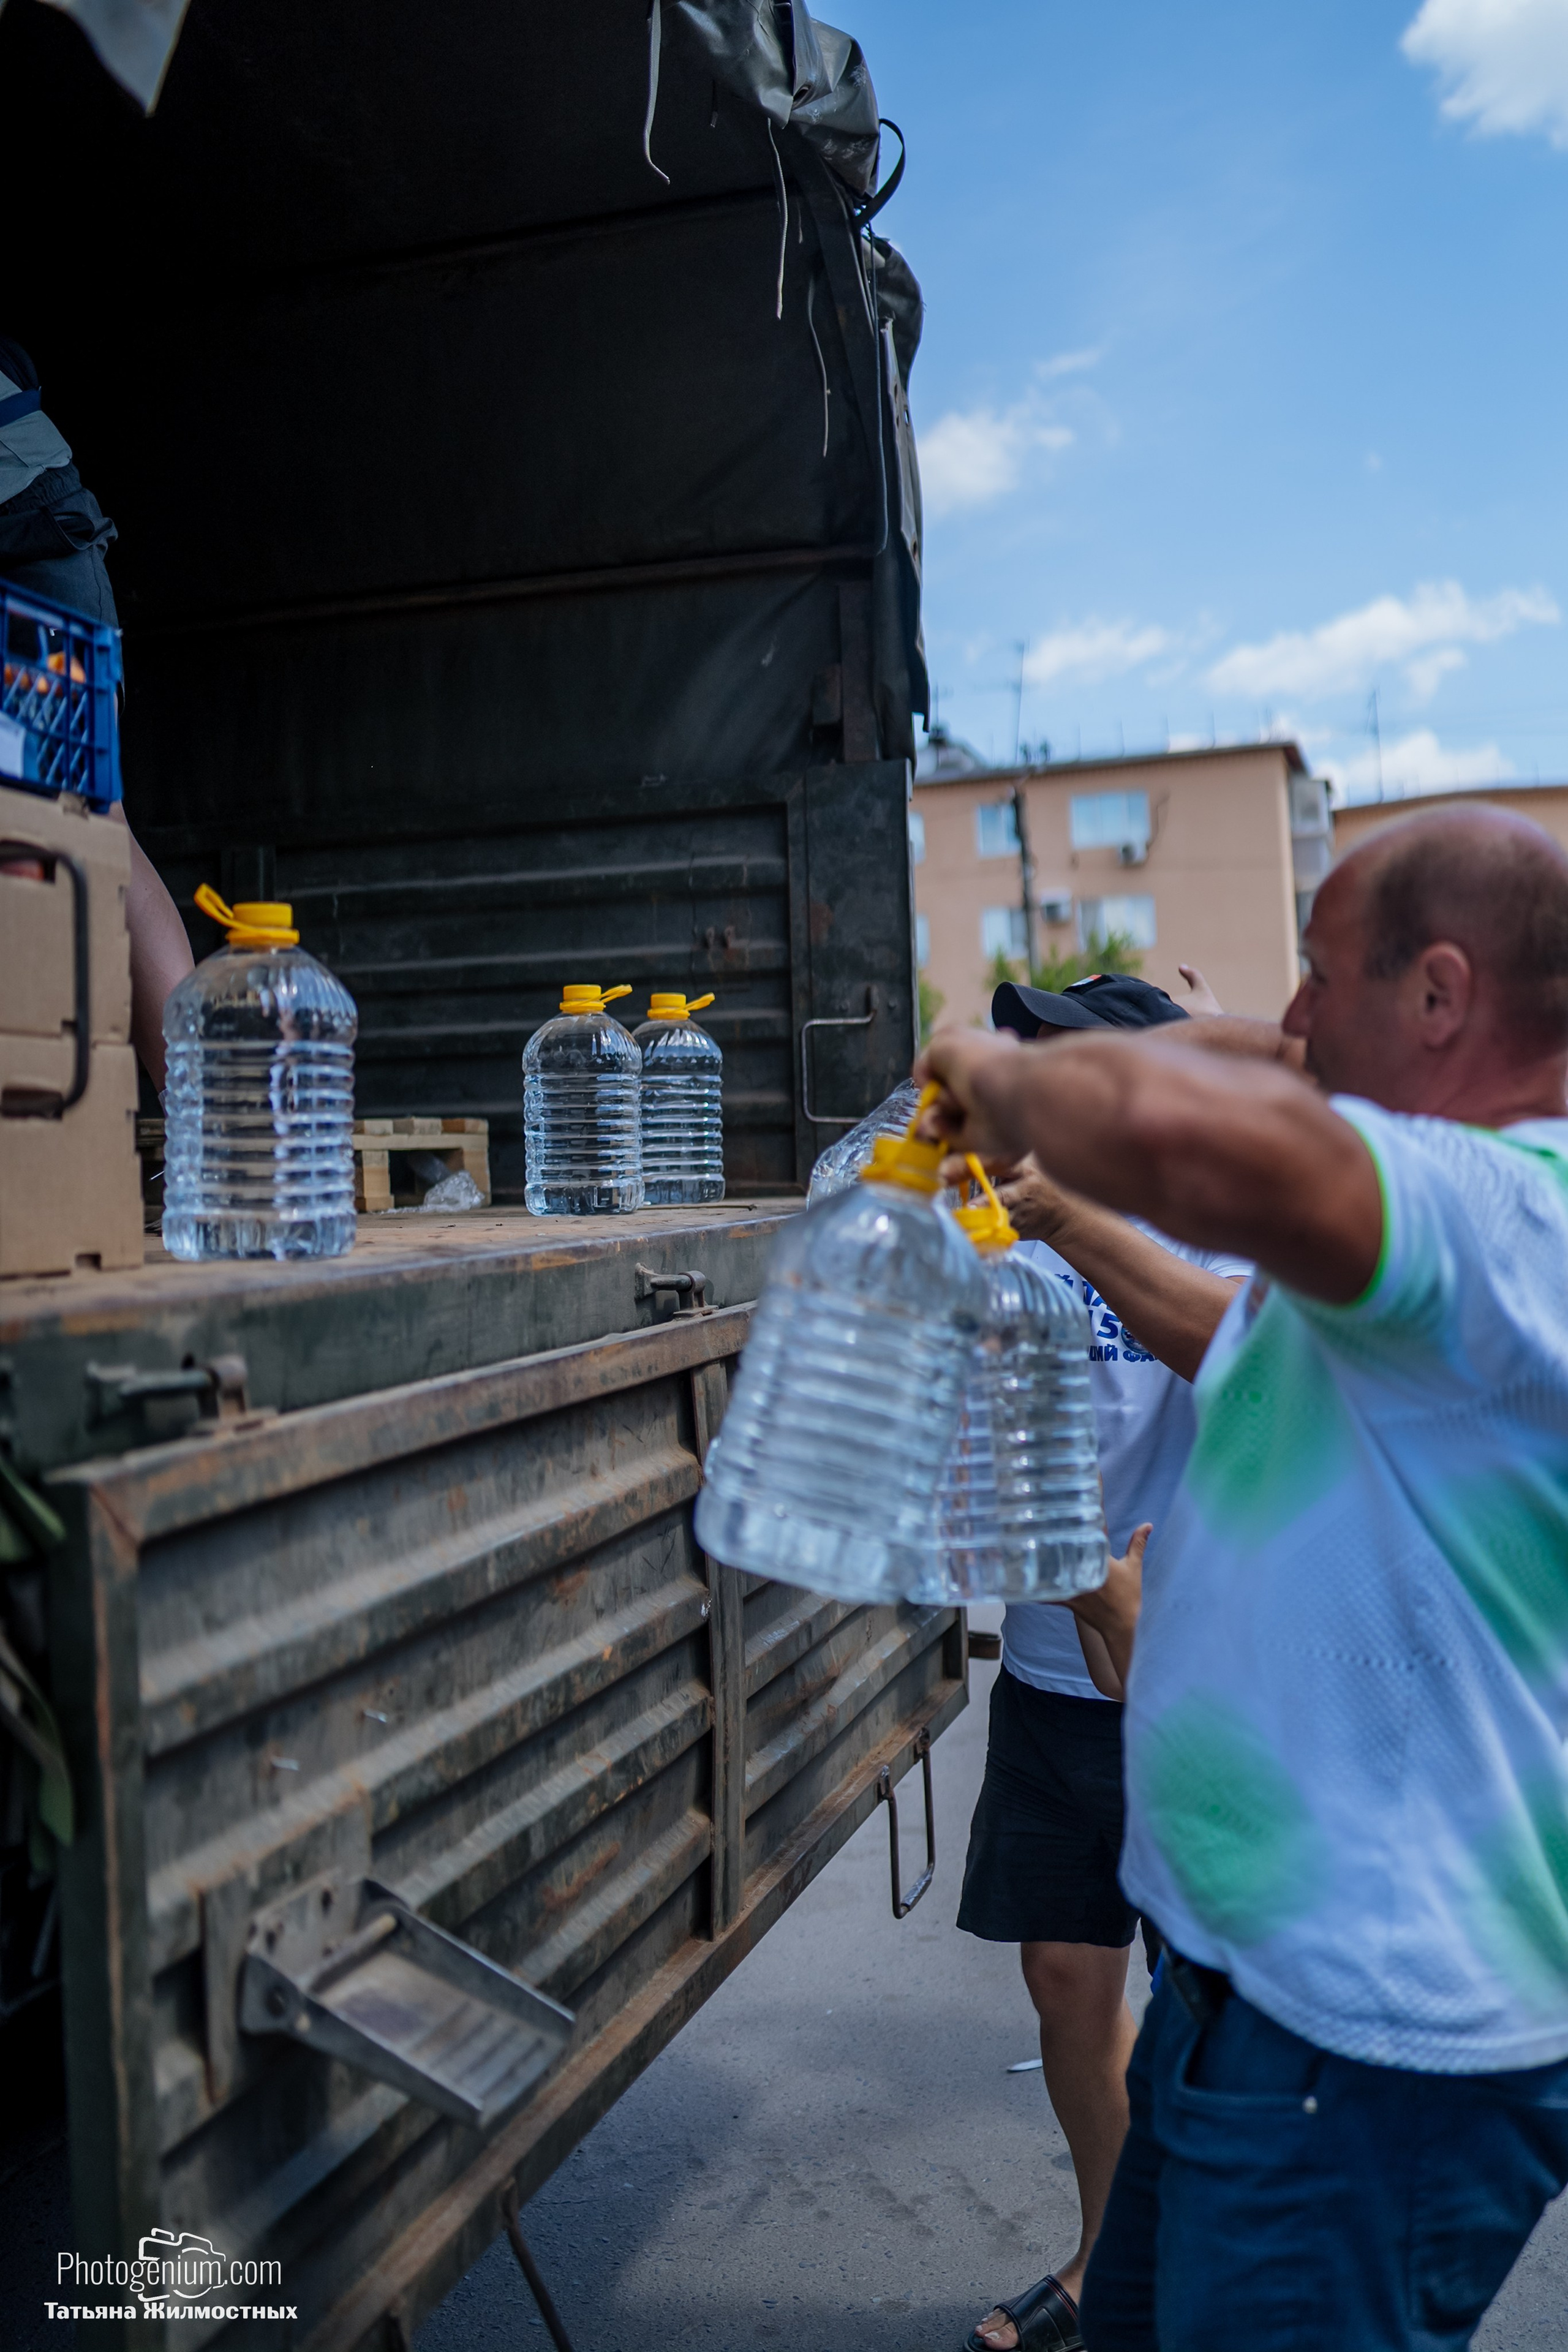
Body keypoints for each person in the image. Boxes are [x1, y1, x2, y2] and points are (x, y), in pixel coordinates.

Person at [919, 807, 1568, 2352]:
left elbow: (1201, 1139)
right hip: (1249, 1994)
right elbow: (1241, 1346)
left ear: (1437, 996)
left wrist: (997, 1075)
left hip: (1363, 2049)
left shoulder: (1499, 1207)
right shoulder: (1430, 1227)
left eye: (1314, 977)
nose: (1282, 1020)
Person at [959, 973, 1250, 2352]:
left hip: (1188, 1684)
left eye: (1067, 1063)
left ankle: (1199, 2283)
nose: (1034, 1079)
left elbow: (1254, 1378)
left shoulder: (1215, 1230)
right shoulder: (987, 1224)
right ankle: (1100, 2263)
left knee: (1215, 2016)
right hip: (1047, 1677)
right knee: (1068, 1988)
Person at [0, 336, 193, 1085]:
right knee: (98, 832)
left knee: (93, 833)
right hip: (47, 536)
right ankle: (200, 1141)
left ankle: (200, 1138)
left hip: (35, 547)